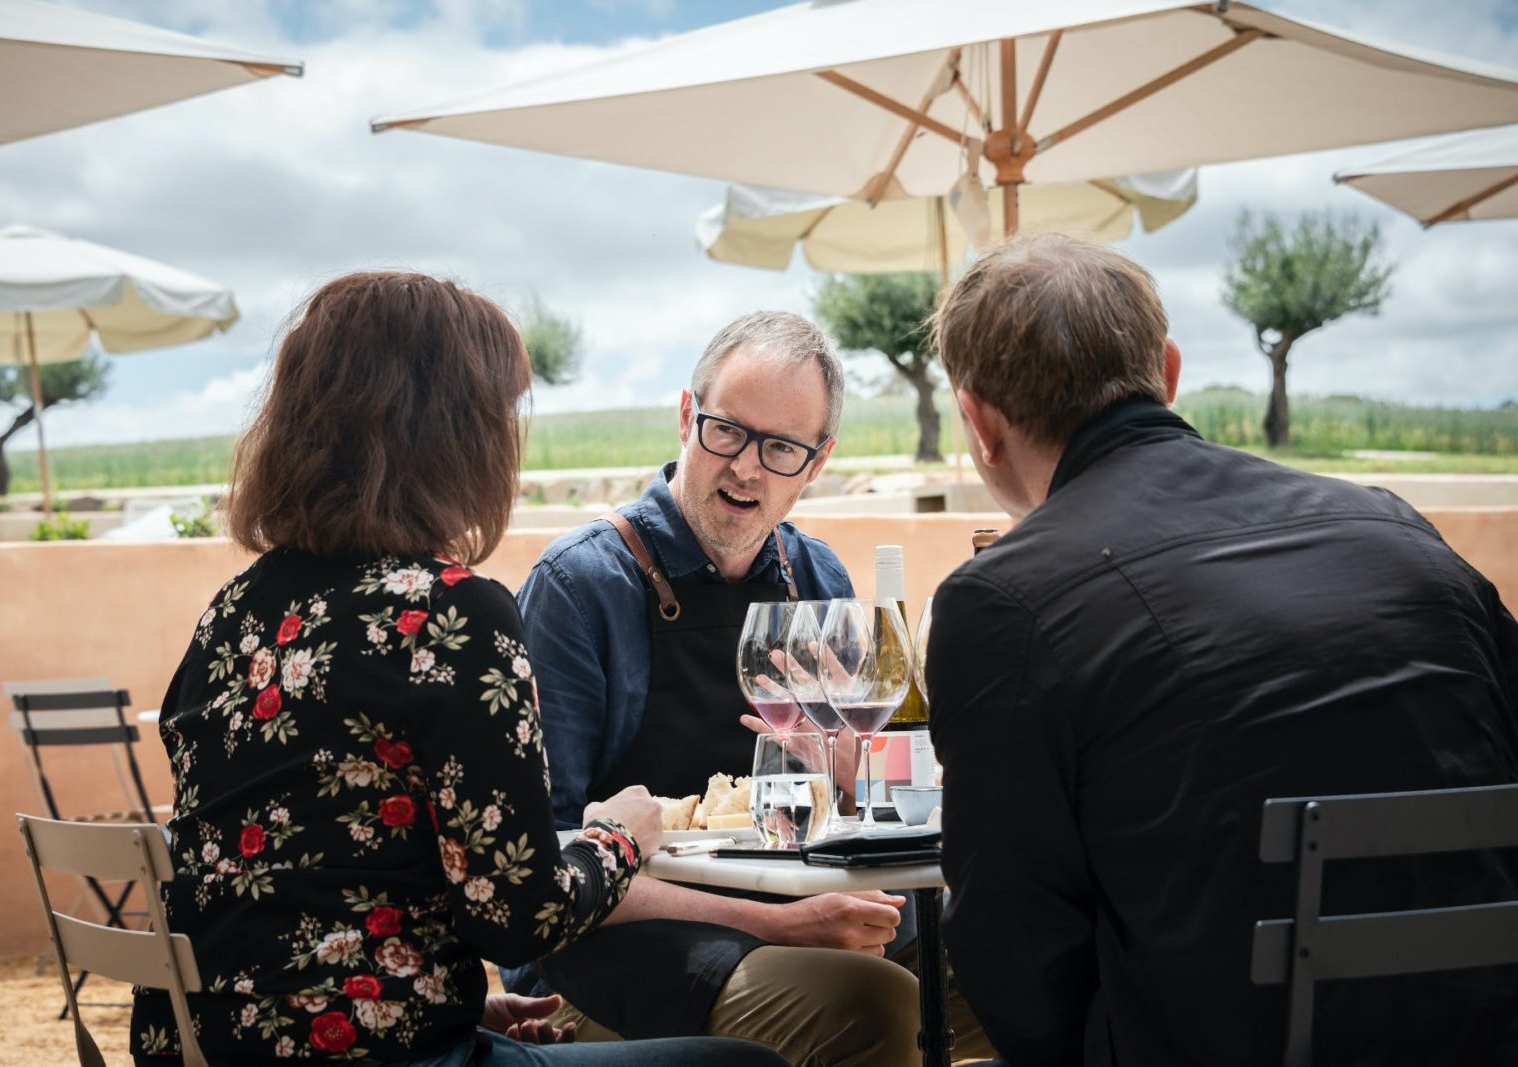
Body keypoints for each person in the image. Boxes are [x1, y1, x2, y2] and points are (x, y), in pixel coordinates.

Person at [132, 272, 789, 1067]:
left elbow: (298, 875)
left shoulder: (236, 608)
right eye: (501, 413)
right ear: (454, 435)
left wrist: (457, 1004)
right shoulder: (452, 615)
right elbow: (518, 917)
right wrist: (619, 836)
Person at [926, 233, 1518, 1066]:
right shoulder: (1395, 529)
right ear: (1168, 372)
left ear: (980, 423)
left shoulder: (1005, 600)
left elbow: (1013, 948)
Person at [509, 311, 993, 1066]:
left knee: (1040, 957)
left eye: (781, 447)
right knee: (872, 1003)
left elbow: (883, 803)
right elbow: (546, 859)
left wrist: (856, 773)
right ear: (686, 417)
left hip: (815, 916)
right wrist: (780, 925)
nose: (747, 468)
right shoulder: (579, 589)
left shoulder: (817, 575)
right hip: (620, 961)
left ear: (818, 461)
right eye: (727, 431)